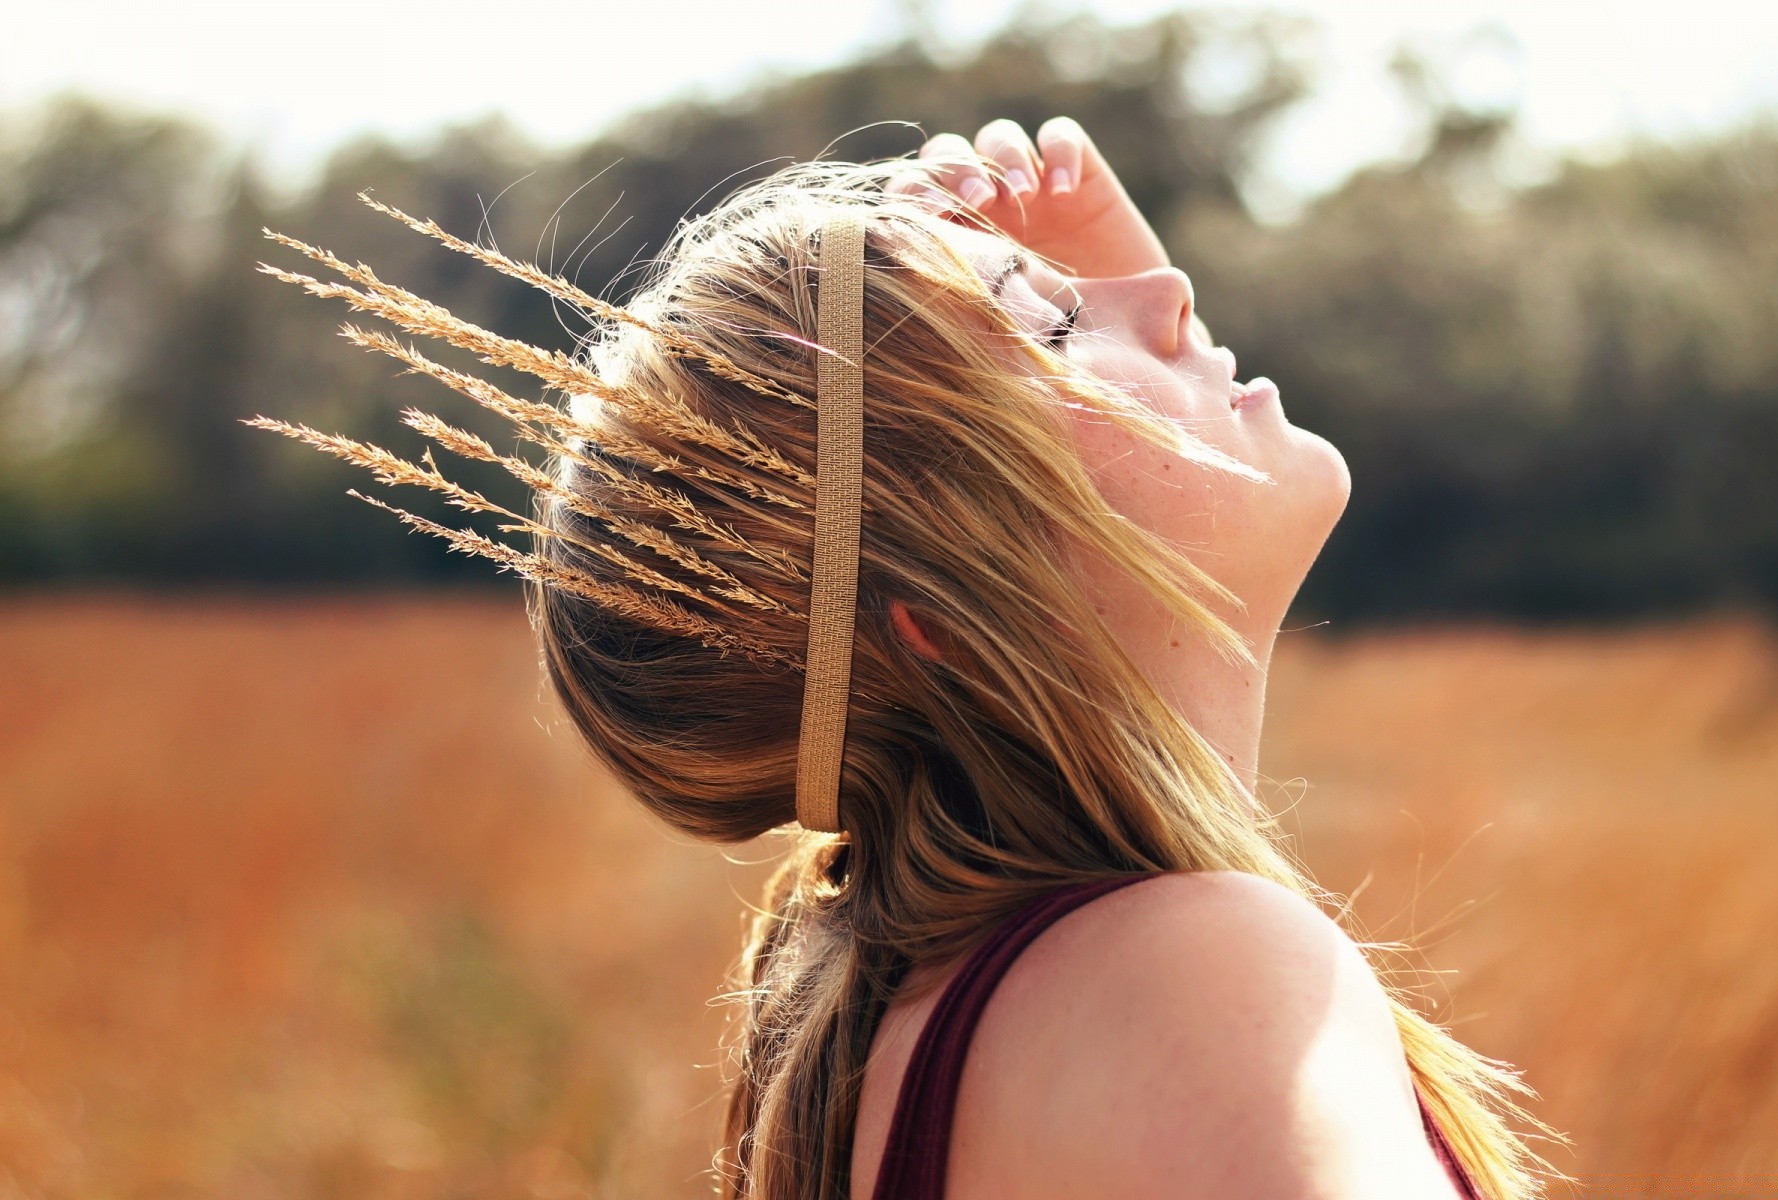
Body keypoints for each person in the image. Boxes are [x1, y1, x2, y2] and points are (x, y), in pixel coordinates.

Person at [252, 116, 1549, 1199]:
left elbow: (1142, 658)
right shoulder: (1195, 975)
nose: (1164, 294)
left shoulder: (924, 1027)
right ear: (938, 614)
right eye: (1051, 326)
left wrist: (1084, 325)